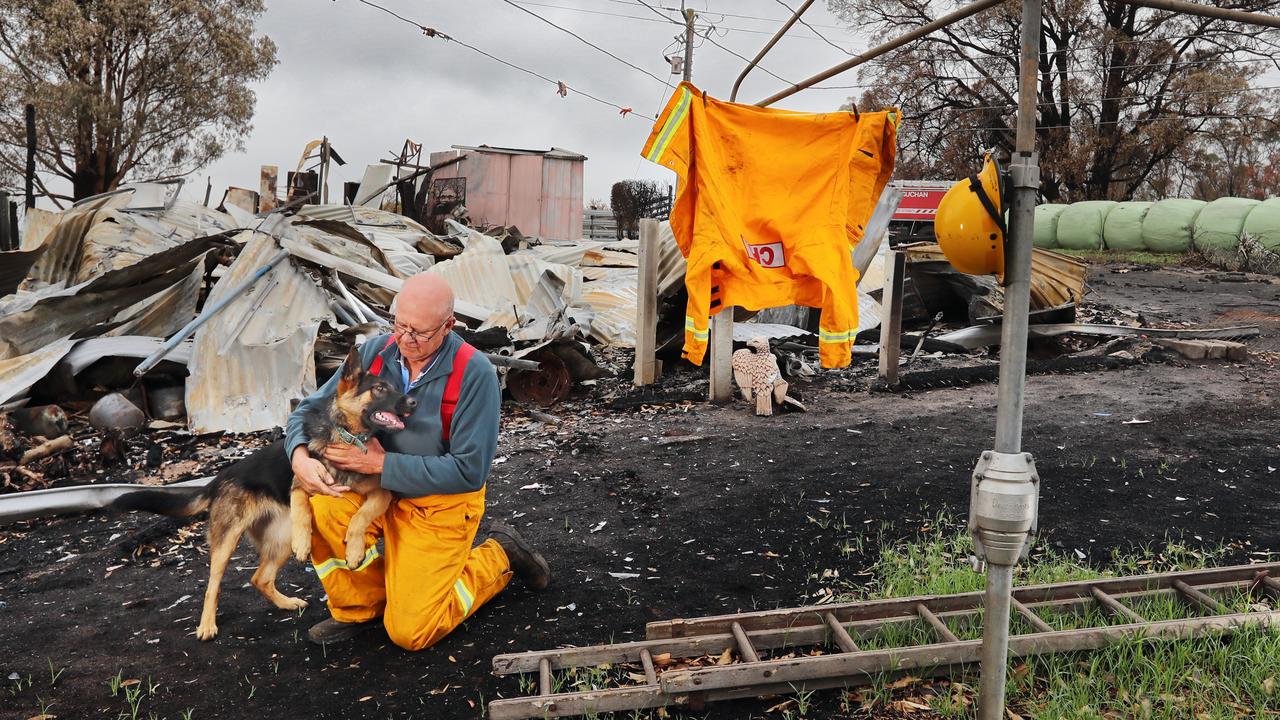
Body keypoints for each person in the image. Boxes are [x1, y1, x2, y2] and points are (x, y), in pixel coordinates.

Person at [285, 273, 550, 650]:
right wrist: (298, 457)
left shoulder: (474, 375)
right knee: (322, 506)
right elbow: (307, 411)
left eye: (420, 333)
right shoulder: (378, 351)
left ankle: (498, 555)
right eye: (400, 325)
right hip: (375, 489)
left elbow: (469, 472)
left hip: (437, 502)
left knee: (413, 632)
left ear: (448, 326)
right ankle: (362, 607)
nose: (405, 339)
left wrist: (382, 465)